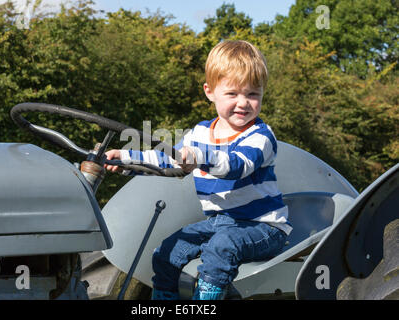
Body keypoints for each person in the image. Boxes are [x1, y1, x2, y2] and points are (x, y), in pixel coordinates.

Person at [104, 40, 292, 300]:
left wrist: (200, 156)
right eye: (232, 93)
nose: (243, 103)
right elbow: (166, 159)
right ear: (210, 91)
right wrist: (125, 159)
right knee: (167, 252)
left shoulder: (260, 136)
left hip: (264, 227)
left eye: (252, 94)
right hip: (220, 223)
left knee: (222, 247)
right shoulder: (200, 133)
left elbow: (237, 166)